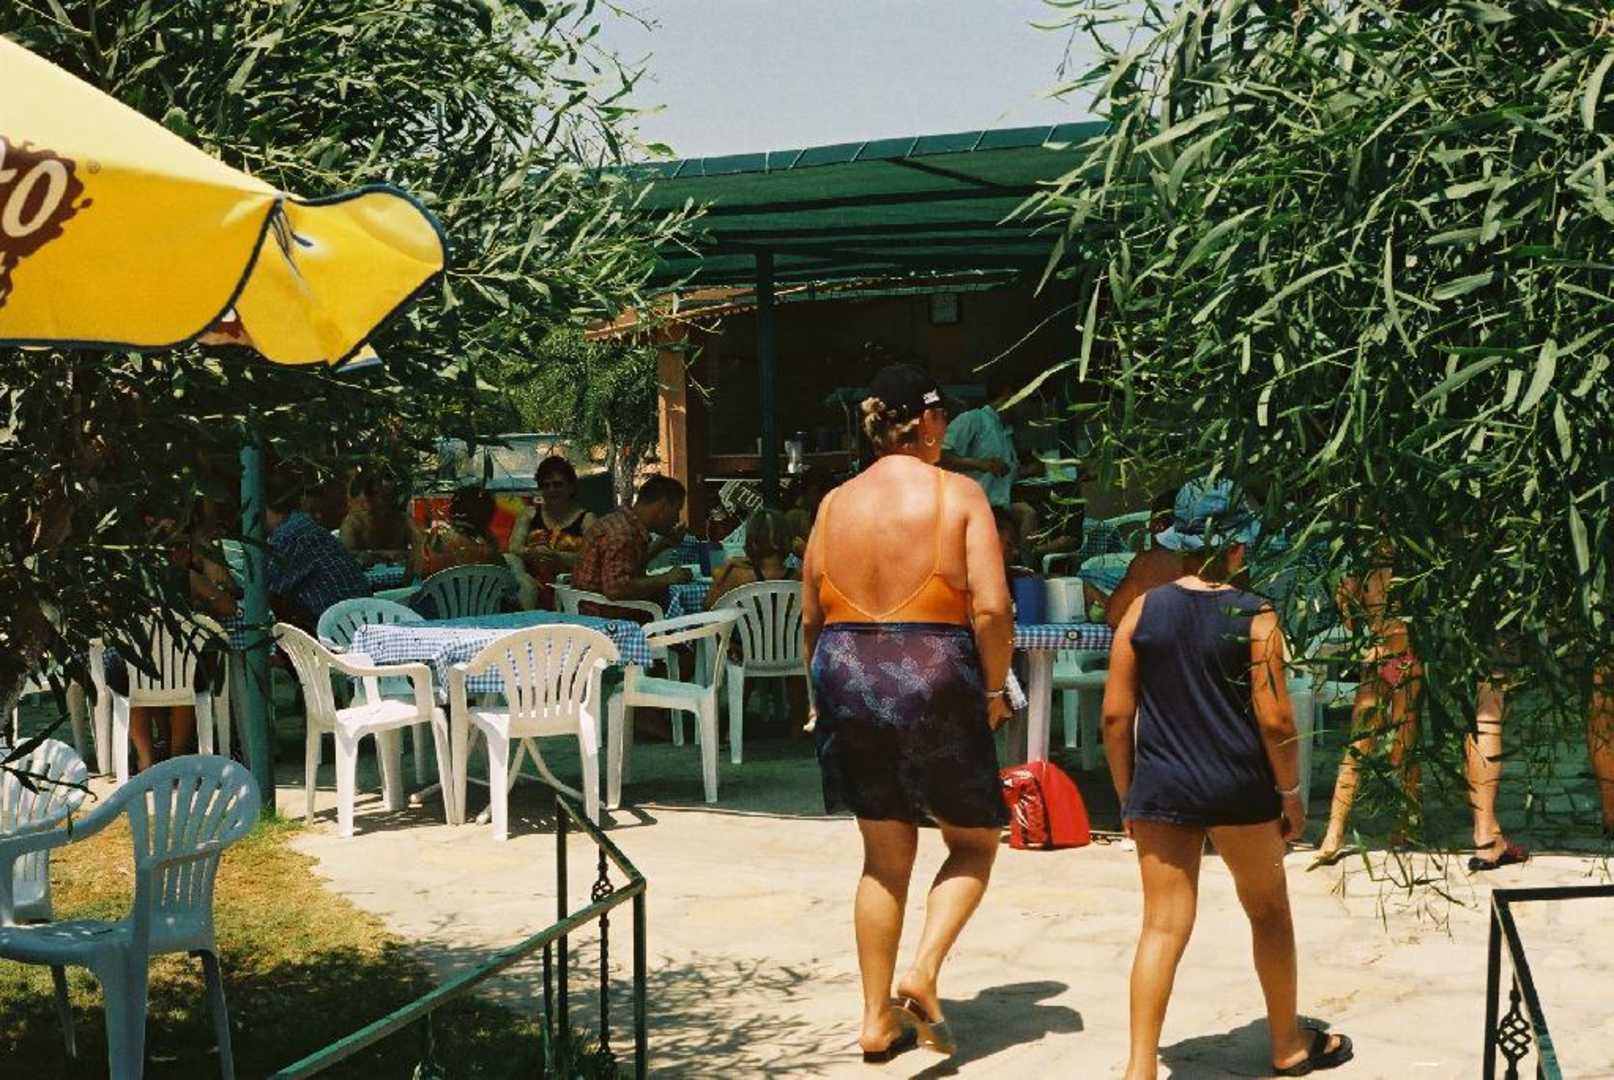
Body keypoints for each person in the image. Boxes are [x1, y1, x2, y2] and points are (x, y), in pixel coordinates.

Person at [1101, 479, 1354, 1079]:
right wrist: (1291, 795)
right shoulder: (1257, 616)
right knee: (1268, 912)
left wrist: (1128, 795)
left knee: (1162, 926)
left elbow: (1114, 716)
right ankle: (1288, 1044)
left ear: (1178, 545)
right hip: (1238, 787)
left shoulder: (1142, 609)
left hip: (1163, 786)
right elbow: (1275, 719)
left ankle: (1139, 1065)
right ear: (1238, 547)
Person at [801, 363, 1014, 1063]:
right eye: (943, 416)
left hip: (846, 667)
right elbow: (992, 608)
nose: (945, 428)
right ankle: (921, 970)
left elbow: (810, 617)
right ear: (925, 422)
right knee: (974, 841)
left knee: (883, 858)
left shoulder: (833, 504)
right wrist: (993, 690)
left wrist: (818, 696)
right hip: (932, 667)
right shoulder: (959, 494)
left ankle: (874, 1020)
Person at [1310, 539, 1424, 867]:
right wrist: (1347, 597)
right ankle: (1335, 830)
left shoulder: (1414, 563)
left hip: (1406, 660)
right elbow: (1350, 620)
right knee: (1357, 745)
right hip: (1375, 663)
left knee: (1404, 746)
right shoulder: (1363, 568)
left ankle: (1409, 817)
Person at [572, 474, 694, 621]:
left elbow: (629, 563)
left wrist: (664, 543)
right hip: (604, 617)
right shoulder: (623, 535)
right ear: (663, 507)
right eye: (677, 510)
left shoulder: (622, 522)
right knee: (683, 614)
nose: (677, 519)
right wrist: (666, 578)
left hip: (589, 607)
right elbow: (616, 589)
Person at [266, 482, 371, 632]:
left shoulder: (288, 535)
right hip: (360, 616)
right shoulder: (300, 524)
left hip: (340, 629)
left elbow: (265, 591)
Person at [508, 456, 597, 609]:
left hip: (570, 588)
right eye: (546, 485)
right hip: (529, 588)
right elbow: (514, 548)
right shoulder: (529, 514)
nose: (551, 490)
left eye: (557, 485)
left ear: (571, 487)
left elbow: (592, 558)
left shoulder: (587, 519)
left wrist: (559, 557)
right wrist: (531, 552)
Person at [1102, 490, 1184, 630]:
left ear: (1158, 526)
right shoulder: (1215, 561)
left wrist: (1095, 595)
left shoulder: (1150, 562)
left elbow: (1115, 617)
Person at [706, 508, 796, 610]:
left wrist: (727, 565)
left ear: (751, 541)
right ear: (788, 540)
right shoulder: (799, 576)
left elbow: (709, 607)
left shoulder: (738, 576)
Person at [412, 485, 501, 580]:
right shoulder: (490, 543)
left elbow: (418, 573)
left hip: (442, 588)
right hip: (482, 588)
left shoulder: (440, 536)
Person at [339, 470, 415, 568]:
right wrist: (380, 555)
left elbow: (420, 548)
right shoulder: (352, 523)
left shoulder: (401, 519)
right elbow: (345, 557)